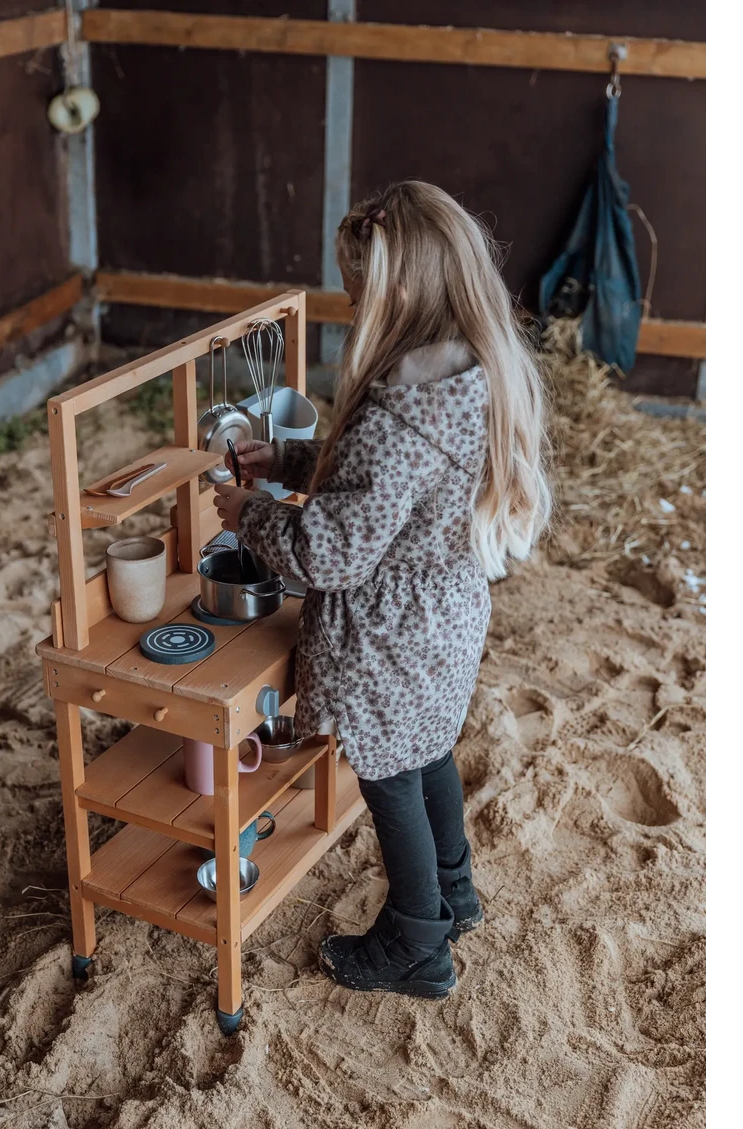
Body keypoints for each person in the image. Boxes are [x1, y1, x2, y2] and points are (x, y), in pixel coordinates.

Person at [213, 180, 551, 997]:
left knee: (389, 779)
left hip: (388, 641)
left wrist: (249, 513)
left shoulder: (402, 415)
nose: (350, 303)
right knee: (427, 754)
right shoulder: (471, 371)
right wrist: (295, 465)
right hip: (446, 616)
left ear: (395, 293)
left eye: (357, 291)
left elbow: (330, 553)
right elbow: (388, 495)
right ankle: (456, 894)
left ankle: (419, 945)